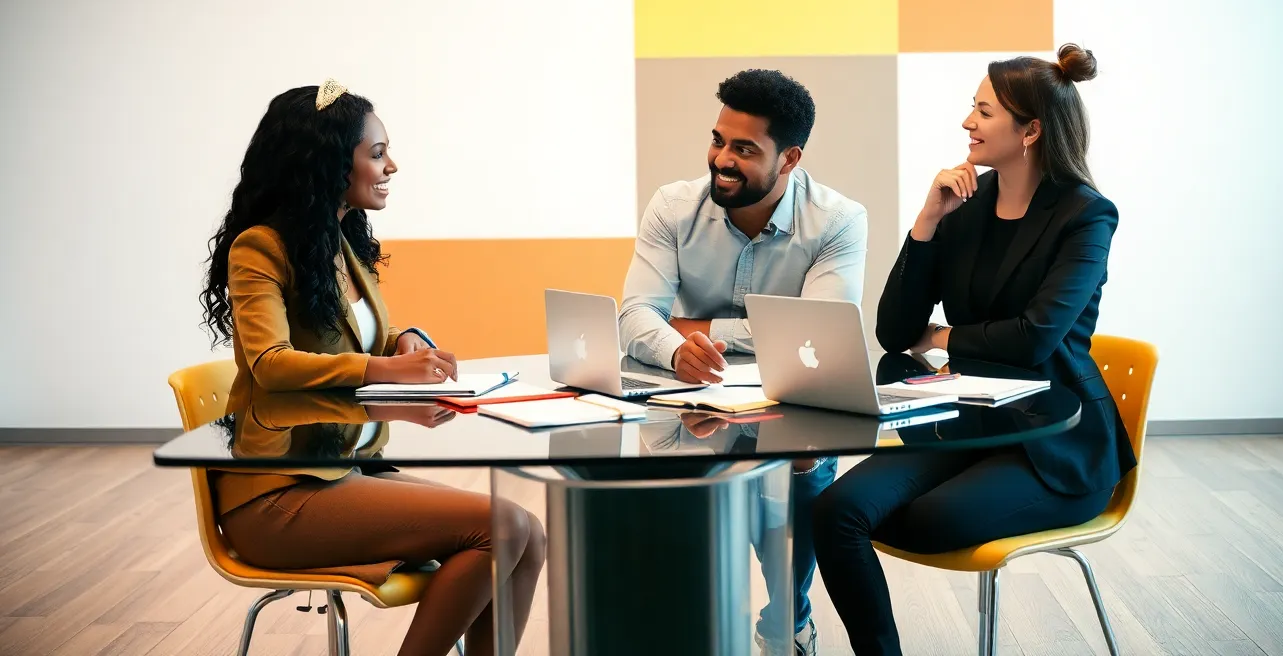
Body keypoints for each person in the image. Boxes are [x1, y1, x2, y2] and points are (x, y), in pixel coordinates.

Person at [811, 45, 1138, 656]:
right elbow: (892, 329)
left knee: (935, 519)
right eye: (972, 109)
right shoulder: (966, 205)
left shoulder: (1087, 216)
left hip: (1056, 443)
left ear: (1031, 130)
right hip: (967, 422)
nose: (968, 123)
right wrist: (926, 221)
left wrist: (941, 338)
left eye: (984, 112)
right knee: (836, 511)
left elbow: (1037, 335)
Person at [199, 80, 544, 656]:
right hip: (280, 494)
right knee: (502, 527)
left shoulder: (339, 242)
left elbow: (360, 339)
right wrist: (384, 371)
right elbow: (269, 364)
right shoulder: (259, 247)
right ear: (330, 161)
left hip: (345, 470)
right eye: (377, 152)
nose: (392, 166)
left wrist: (406, 340)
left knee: (526, 535)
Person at [618, 69, 868, 656]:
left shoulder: (836, 220)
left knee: (802, 468)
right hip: (690, 405)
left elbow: (819, 339)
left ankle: (788, 622)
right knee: (678, 517)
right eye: (718, 140)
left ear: (790, 159)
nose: (722, 160)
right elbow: (633, 317)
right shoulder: (672, 207)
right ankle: (696, 620)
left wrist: (699, 330)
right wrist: (676, 347)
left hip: (788, 408)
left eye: (745, 149)